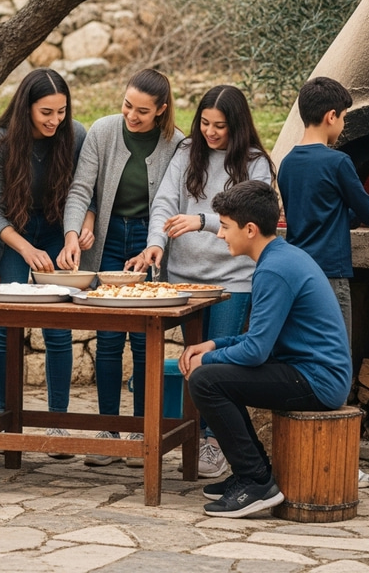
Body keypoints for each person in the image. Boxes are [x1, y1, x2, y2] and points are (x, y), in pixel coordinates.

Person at [181, 180, 352, 518]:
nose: (219, 234)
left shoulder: (274, 269)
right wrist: (214, 343)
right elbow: (260, 340)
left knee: (206, 380)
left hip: (318, 381)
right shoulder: (279, 257)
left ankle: (256, 481)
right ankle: (253, 473)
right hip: (305, 370)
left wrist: (207, 358)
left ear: (250, 229)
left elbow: (256, 352)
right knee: (214, 375)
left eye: (225, 227)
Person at [134, 84, 275, 478]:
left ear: (238, 126)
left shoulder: (255, 162)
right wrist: (155, 244)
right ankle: (168, 432)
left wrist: (203, 220)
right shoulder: (186, 152)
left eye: (220, 126)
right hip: (182, 279)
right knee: (182, 360)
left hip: (232, 280)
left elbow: (253, 217)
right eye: (205, 123)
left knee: (215, 364)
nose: (210, 133)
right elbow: (164, 202)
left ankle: (213, 442)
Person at [58, 68, 183, 466]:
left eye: (142, 111)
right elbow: (81, 188)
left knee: (146, 339)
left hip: (149, 243)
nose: (131, 115)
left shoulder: (178, 144)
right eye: (128, 105)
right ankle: (109, 429)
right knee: (109, 336)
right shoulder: (103, 131)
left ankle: (142, 430)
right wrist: (73, 233)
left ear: (161, 111)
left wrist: (154, 245)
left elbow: (171, 201)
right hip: (109, 240)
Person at [0, 68, 92, 453]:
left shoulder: (75, 135)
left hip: (56, 228)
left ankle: (57, 424)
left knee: (58, 326)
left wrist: (80, 229)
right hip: (14, 234)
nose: (55, 121)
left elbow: (85, 189)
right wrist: (25, 250)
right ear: (26, 107)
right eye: (46, 112)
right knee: (8, 327)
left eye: (61, 111)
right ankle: (7, 421)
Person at [277, 76, 369, 344]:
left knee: (308, 348)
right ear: (331, 116)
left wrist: (350, 215)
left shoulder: (287, 163)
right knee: (336, 355)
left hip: (298, 271)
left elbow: (319, 214)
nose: (344, 125)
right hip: (330, 275)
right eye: (344, 117)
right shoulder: (337, 162)